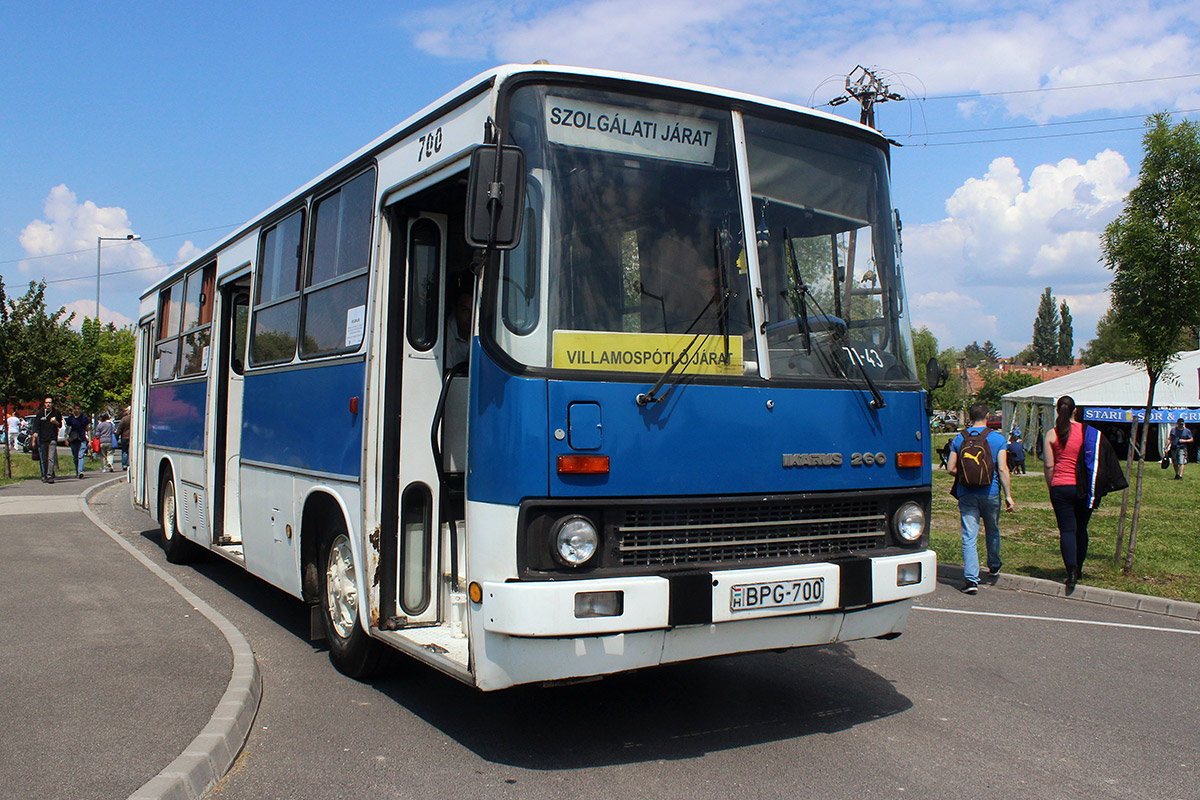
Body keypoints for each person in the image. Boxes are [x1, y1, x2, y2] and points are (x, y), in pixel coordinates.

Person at [947, 402, 1015, 594]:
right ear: (987, 416)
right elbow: (1002, 468)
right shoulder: (997, 438)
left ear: (970, 416)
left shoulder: (960, 438)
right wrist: (1008, 495)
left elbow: (951, 468)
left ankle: (971, 580)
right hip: (991, 492)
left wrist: (966, 476)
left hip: (966, 492)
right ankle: (994, 564)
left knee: (969, 535)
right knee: (992, 529)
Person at [1043, 395, 1088, 594]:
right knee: (1081, 528)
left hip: (1061, 485)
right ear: (1075, 411)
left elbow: (1049, 465)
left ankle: (1070, 572)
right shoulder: (1086, 432)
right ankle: (1079, 568)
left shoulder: (1051, 434)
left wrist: (1050, 486)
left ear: (1058, 411)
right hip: (1082, 486)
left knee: (1067, 530)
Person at [444, 276, 473, 371]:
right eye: (465, 311)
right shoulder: (444, 336)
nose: (470, 317)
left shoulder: (482, 334)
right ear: (455, 309)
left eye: (473, 312)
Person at [32, 396, 64, 483]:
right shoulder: (40, 413)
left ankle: (50, 476)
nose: (48, 404)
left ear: (52, 404)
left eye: (50, 403)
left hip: (52, 438)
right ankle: (44, 475)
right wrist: (35, 432)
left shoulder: (56, 413)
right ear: (44, 404)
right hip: (42, 438)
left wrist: (55, 422)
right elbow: (36, 424)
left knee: (51, 457)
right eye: (46, 403)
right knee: (44, 458)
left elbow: (60, 425)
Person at [65, 404, 90, 479]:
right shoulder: (70, 418)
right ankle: (77, 470)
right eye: (75, 409)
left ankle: (80, 471)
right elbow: (67, 429)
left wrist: (89, 440)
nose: (77, 410)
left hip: (82, 439)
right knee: (75, 457)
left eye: (78, 409)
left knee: (81, 455)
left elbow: (87, 429)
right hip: (74, 439)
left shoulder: (84, 418)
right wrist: (66, 438)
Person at [117, 407, 132, 471]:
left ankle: (125, 464)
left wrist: (117, 436)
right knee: (131, 451)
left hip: (125, 437)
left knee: (125, 451)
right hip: (132, 437)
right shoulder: (134, 419)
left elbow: (120, 429)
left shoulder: (124, 419)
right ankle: (131, 464)